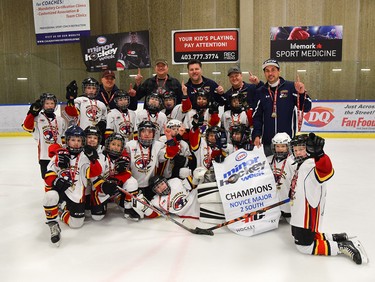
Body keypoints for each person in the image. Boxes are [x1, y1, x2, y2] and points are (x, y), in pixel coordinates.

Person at [286, 133, 368, 264]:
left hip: (306, 216)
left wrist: (319, 154)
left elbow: (326, 170)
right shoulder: (301, 165)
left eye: (301, 149)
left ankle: (342, 247)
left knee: (304, 247)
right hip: (299, 214)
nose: (298, 153)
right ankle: (337, 237)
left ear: (309, 148)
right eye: (295, 150)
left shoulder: (311, 164)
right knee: (303, 237)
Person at [42, 125, 102, 246]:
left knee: (76, 224)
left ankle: (61, 211)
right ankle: (53, 222)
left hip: (76, 194)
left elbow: (95, 172)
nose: (76, 143)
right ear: (67, 140)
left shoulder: (85, 157)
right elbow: (48, 175)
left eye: (79, 140)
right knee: (50, 195)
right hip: (61, 192)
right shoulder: (59, 155)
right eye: (73, 140)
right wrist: (55, 181)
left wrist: (94, 160)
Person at [252, 58, 312, 156]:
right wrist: (256, 135)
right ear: (264, 73)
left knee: (287, 170)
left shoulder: (291, 87)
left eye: (273, 70)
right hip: (268, 143)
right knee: (270, 170)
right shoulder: (261, 91)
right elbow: (257, 117)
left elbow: (306, 107)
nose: (270, 73)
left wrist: (301, 94)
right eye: (267, 71)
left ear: (279, 71)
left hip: (287, 142)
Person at [125, 121, 179, 201]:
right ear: (139, 133)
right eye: (143, 131)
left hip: (151, 187)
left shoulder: (158, 145)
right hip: (133, 186)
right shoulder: (130, 145)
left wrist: (169, 139)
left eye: (150, 132)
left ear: (154, 134)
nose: (147, 134)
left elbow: (170, 154)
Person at [22, 93, 67, 178]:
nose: (50, 106)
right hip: (44, 156)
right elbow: (27, 127)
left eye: (52, 103)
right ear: (42, 105)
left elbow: (63, 138)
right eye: (47, 103)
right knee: (48, 180)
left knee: (60, 179)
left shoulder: (60, 120)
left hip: (59, 156)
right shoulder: (37, 118)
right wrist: (32, 113)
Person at [266, 132, 291, 222]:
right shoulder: (268, 160)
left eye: (283, 146)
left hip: (289, 203)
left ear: (288, 147)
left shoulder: (292, 162)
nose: (280, 149)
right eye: (277, 146)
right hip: (274, 204)